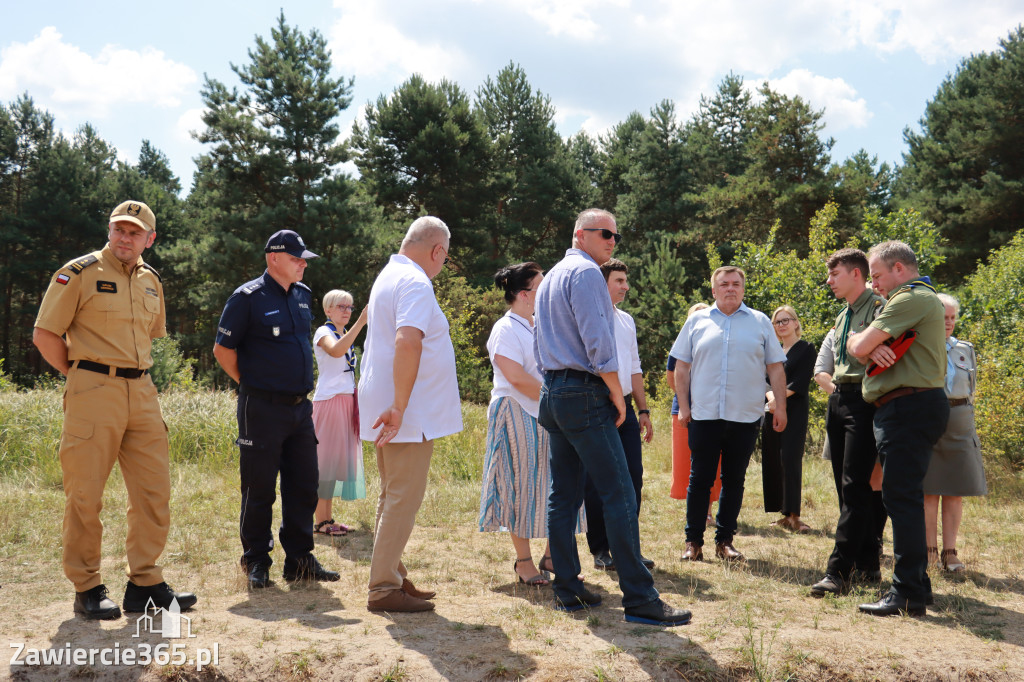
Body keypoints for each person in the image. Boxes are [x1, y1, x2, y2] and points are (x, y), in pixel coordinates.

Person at [33, 200, 196, 620]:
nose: (125, 238)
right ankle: (86, 586)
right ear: (110, 231)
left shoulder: (150, 280)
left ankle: (145, 583)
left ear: (149, 239)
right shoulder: (80, 272)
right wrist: (80, 374)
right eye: (119, 229)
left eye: (134, 232)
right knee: (85, 493)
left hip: (141, 391)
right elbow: (45, 333)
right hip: (93, 389)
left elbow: (151, 336)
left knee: (154, 492)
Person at [535, 208, 690, 626]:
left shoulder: (550, 276)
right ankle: (640, 600)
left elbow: (541, 339)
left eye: (616, 236)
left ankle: (567, 588)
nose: (612, 241)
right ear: (580, 235)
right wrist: (614, 390)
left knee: (563, 496)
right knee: (619, 493)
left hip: (553, 392)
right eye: (605, 233)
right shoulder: (585, 274)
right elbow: (596, 336)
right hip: (585, 391)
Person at [214, 230, 339, 589]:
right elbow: (223, 351)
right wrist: (254, 384)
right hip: (261, 407)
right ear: (273, 258)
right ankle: (256, 560)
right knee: (260, 487)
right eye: (297, 258)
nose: (303, 264)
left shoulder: (302, 296)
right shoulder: (246, 298)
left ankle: (299, 559)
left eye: (305, 259)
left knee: (304, 484)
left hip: (301, 409)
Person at [359, 216, 462, 613]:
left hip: (390, 404)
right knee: (403, 496)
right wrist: (400, 406)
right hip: (405, 409)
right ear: (437, 251)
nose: (443, 264)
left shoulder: (389, 275)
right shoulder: (417, 281)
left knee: (392, 494)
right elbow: (408, 341)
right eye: (445, 258)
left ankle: (392, 574)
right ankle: (384, 586)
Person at [846, 240, 949, 617]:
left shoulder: (910, 298)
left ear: (899, 270)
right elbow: (858, 344)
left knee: (900, 499)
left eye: (876, 275)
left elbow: (858, 344)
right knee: (903, 496)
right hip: (909, 405)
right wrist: (869, 346)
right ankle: (918, 585)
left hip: (908, 406)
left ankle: (905, 592)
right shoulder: (912, 300)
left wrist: (867, 345)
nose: (874, 284)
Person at [671, 266, 787, 563]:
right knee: (700, 480)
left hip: (745, 416)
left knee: (734, 480)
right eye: (724, 284)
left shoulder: (760, 322)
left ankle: (725, 541)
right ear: (714, 290)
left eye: (736, 284)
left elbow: (775, 367)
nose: (730, 289)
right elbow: (680, 367)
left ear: (743, 289)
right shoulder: (697, 321)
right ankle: (692, 542)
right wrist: (684, 406)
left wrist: (781, 407)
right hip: (705, 414)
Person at [479, 262, 584, 586]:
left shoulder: (540, 324)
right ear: (524, 294)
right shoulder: (506, 329)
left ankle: (553, 554)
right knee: (520, 485)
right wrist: (559, 395)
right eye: (541, 287)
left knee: (560, 482)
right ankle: (523, 561)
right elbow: (514, 377)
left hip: (549, 412)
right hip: (516, 412)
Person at [809, 248, 889, 601]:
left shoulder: (881, 309)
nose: (829, 281)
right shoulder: (843, 316)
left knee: (856, 487)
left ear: (857, 274)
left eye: (834, 274)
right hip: (839, 399)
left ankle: (838, 572)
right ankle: (868, 562)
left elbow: (894, 352)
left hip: (866, 400)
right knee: (847, 489)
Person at [583, 258, 654, 572]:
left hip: (626, 404)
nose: (626, 286)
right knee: (600, 480)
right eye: (619, 281)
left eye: (626, 280)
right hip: (598, 403)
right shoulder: (589, 318)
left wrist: (644, 409)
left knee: (633, 477)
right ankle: (601, 549)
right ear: (603, 283)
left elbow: (635, 368)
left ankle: (628, 548)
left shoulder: (626, 320)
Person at [923, 293, 987, 573]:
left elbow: (970, 389)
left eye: (952, 317)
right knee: (927, 491)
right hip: (928, 420)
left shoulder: (964, 349)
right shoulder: (920, 347)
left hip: (960, 421)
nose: (948, 322)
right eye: (942, 317)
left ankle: (950, 552)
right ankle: (928, 552)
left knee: (954, 491)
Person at [311, 289, 368, 538]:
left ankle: (327, 518)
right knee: (325, 463)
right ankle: (321, 522)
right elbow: (335, 351)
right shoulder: (324, 332)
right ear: (328, 310)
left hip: (346, 401)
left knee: (334, 463)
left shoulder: (344, 333)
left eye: (350, 307)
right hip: (330, 402)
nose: (346, 311)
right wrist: (361, 323)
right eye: (341, 307)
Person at [761, 306, 816, 533]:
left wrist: (778, 398)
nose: (782, 324)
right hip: (771, 409)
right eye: (777, 322)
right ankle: (782, 513)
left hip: (793, 410)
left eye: (786, 320)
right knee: (773, 459)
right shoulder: (771, 350)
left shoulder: (806, 349)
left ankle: (794, 515)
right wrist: (772, 398)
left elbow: (801, 381)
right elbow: (763, 379)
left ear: (795, 323)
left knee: (791, 459)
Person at [668, 303, 721, 520]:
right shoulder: (680, 344)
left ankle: (707, 510)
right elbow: (671, 376)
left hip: (713, 409)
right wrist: (684, 400)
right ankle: (694, 509)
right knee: (685, 461)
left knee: (710, 462)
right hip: (683, 409)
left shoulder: (717, 343)